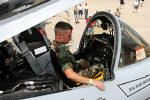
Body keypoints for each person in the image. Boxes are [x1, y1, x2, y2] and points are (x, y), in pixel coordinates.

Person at [51, 21, 105, 90]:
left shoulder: (55, 45)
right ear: (59, 36)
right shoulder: (62, 53)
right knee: (100, 66)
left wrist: (79, 63)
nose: (70, 38)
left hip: (71, 70)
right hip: (72, 80)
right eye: (68, 36)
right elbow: (70, 75)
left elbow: (68, 61)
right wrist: (92, 81)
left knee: (85, 61)